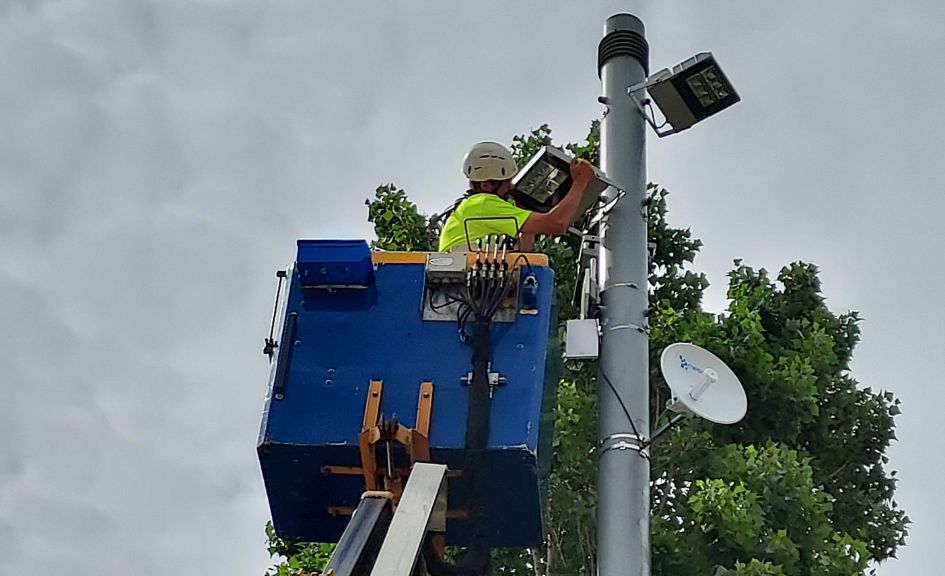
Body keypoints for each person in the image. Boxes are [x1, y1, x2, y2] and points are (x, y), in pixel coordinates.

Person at [437, 141, 597, 252]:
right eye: (506, 182)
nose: (511, 187)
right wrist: (580, 182)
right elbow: (556, 223)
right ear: (486, 185)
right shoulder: (484, 204)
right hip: (463, 292)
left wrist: (528, 218)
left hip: (465, 293)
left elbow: (520, 250)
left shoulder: (472, 207)